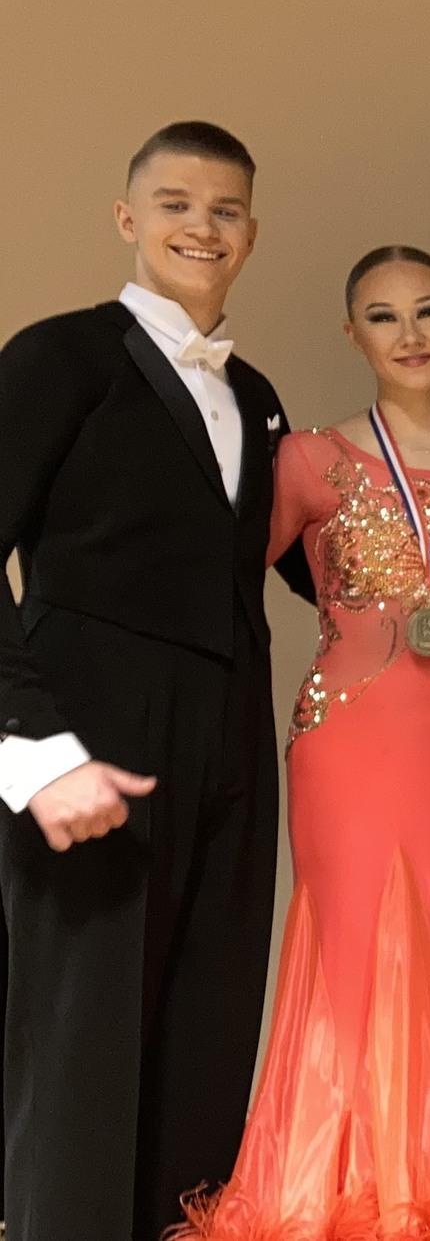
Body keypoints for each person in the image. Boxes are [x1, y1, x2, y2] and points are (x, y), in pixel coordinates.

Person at [172, 247, 430, 1237]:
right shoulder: (309, 462)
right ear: (355, 335)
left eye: (428, 310)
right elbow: (216, 581)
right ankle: (350, 1198)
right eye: (384, 317)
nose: (410, 334)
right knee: (354, 959)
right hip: (348, 749)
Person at [0, 121, 311, 1240]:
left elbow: (335, 567)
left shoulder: (263, 397)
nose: (202, 227)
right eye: (176, 204)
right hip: (90, 754)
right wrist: (33, 756)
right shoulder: (57, 356)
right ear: (129, 219)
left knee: (205, 1052)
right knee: (82, 1070)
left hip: (227, 757)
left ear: (252, 234)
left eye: (226, 210)